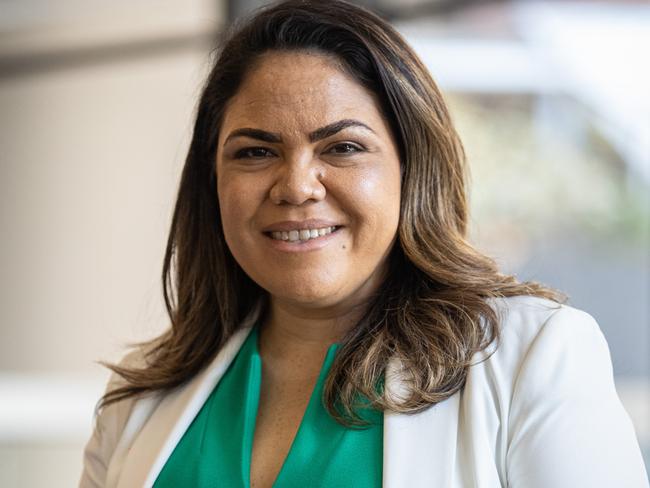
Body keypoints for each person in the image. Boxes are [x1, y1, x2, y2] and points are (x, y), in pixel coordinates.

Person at [79, 1, 649, 487]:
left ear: (412, 169)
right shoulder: (140, 393)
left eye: (343, 148)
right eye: (255, 151)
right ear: (213, 181)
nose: (297, 186)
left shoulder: (535, 356)